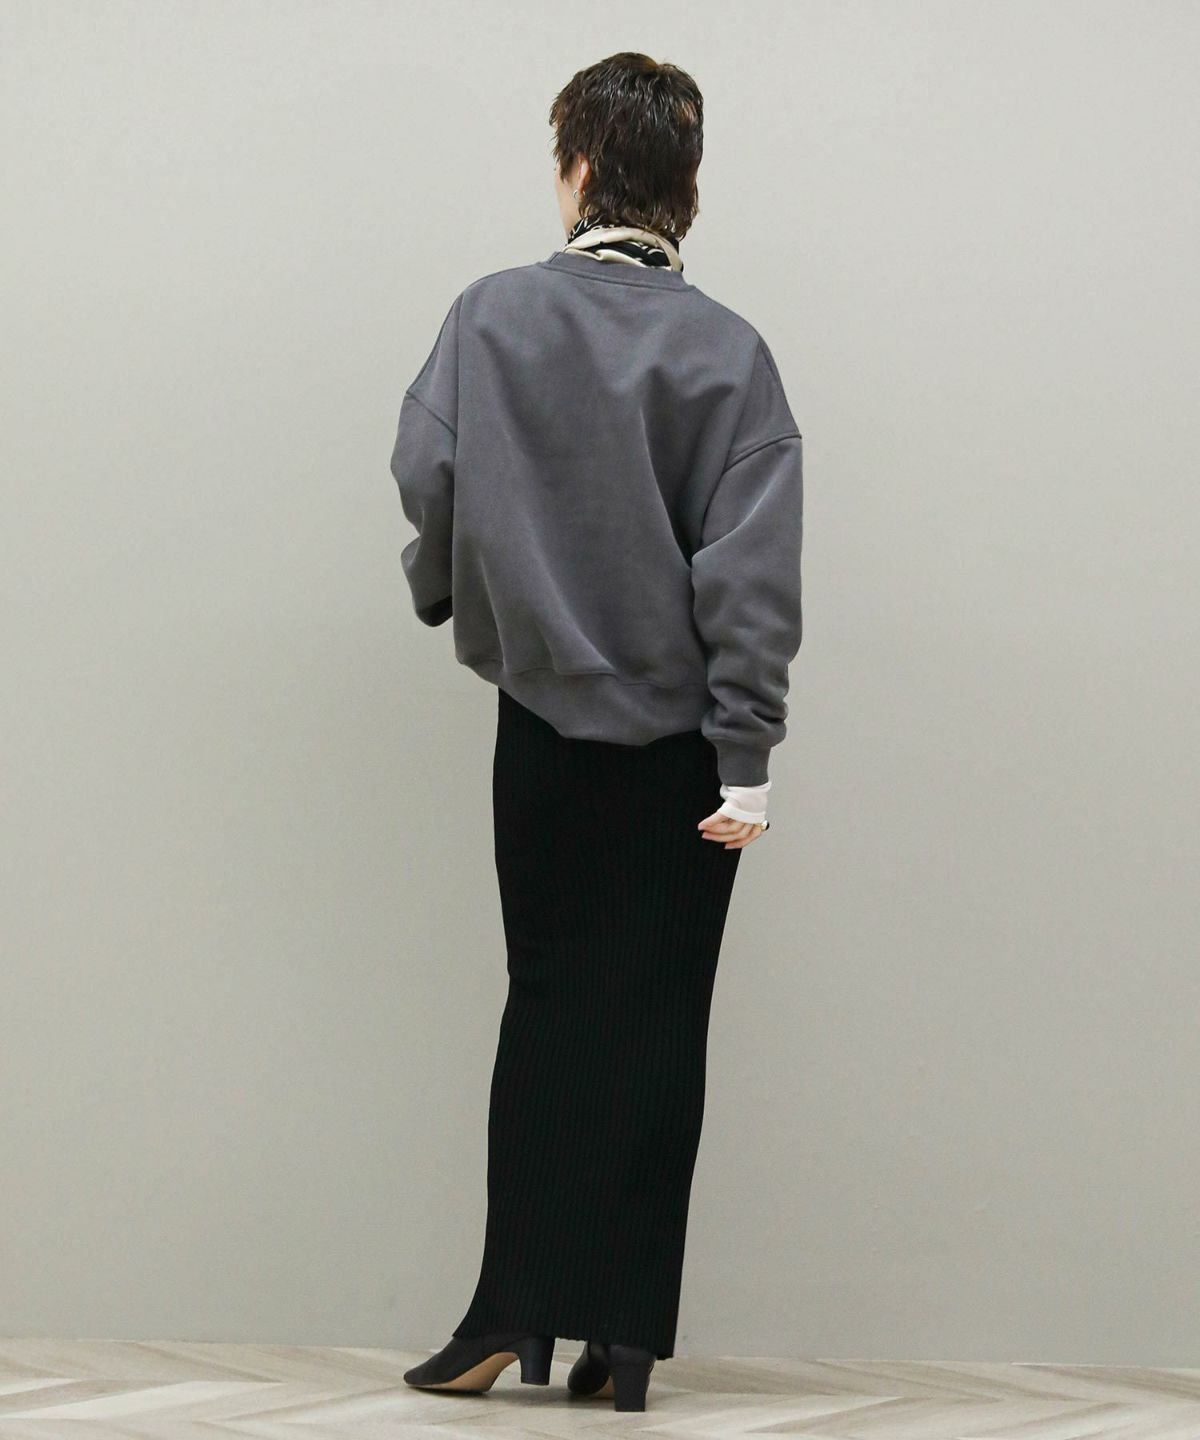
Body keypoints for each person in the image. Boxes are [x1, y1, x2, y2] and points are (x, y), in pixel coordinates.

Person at [389, 51, 803, 1413]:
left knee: (551, 1008)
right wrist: (747, 757)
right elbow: (751, 577)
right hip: (690, 754)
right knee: (661, 1023)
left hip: (543, 726)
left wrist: (452, 591)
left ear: (576, 168)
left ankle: (509, 1312)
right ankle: (623, 1339)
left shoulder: (491, 316)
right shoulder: (730, 352)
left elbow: (429, 474)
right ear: (687, 185)